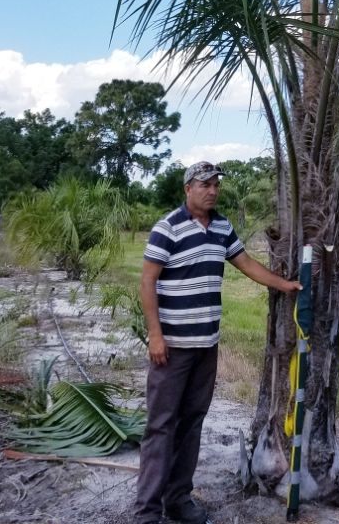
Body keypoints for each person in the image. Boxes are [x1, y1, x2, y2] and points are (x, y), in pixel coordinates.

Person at [134, 161, 300, 524]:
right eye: (204, 184)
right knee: (161, 426)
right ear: (188, 189)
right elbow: (147, 281)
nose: (212, 190)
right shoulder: (168, 227)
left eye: (215, 185)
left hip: (206, 346)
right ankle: (147, 512)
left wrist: (284, 284)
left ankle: (178, 500)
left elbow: (246, 263)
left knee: (192, 423)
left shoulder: (222, 227)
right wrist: (156, 335)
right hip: (172, 348)